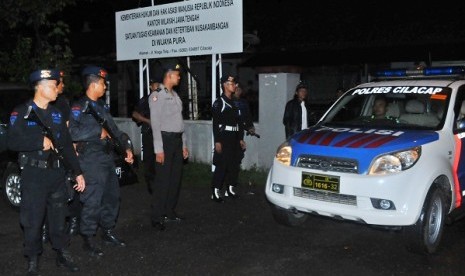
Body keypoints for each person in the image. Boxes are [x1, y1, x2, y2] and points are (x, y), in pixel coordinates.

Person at [7, 68, 86, 274]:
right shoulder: (21, 112)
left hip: (57, 175)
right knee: (32, 221)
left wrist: (77, 172)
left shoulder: (57, 114)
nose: (57, 89)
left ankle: (62, 252)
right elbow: (11, 141)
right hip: (34, 176)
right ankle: (33, 259)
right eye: (52, 85)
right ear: (40, 87)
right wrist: (37, 141)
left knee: (59, 218)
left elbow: (67, 146)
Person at [69, 65, 134, 257]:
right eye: (103, 84)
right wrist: (97, 132)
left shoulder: (101, 107)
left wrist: (126, 148)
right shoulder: (78, 107)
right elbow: (71, 132)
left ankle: (107, 231)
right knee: (92, 200)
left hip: (106, 158)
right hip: (90, 159)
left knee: (112, 196)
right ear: (94, 84)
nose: (105, 87)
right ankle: (88, 238)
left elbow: (113, 130)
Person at [149, 61, 189, 231]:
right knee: (163, 181)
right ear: (169, 75)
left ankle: (170, 212)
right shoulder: (157, 95)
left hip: (177, 141)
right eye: (177, 74)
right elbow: (155, 124)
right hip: (164, 141)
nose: (179, 77)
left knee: (175, 179)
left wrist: (184, 144)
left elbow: (180, 123)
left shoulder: (175, 95)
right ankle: (157, 216)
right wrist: (159, 149)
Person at [210, 75, 246, 203]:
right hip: (224, 137)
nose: (235, 85)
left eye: (235, 83)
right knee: (222, 165)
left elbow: (239, 122)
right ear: (225, 84)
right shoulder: (219, 102)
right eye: (232, 83)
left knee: (234, 164)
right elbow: (216, 123)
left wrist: (241, 139)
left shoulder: (235, 102)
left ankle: (230, 189)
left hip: (235, 138)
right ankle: (215, 191)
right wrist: (218, 141)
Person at [132, 78, 160, 194]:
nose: (157, 86)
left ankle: (161, 184)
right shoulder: (145, 100)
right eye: (155, 84)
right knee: (150, 161)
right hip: (149, 134)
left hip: (163, 135)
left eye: (159, 84)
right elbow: (134, 114)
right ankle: (151, 185)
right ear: (150, 86)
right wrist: (147, 121)